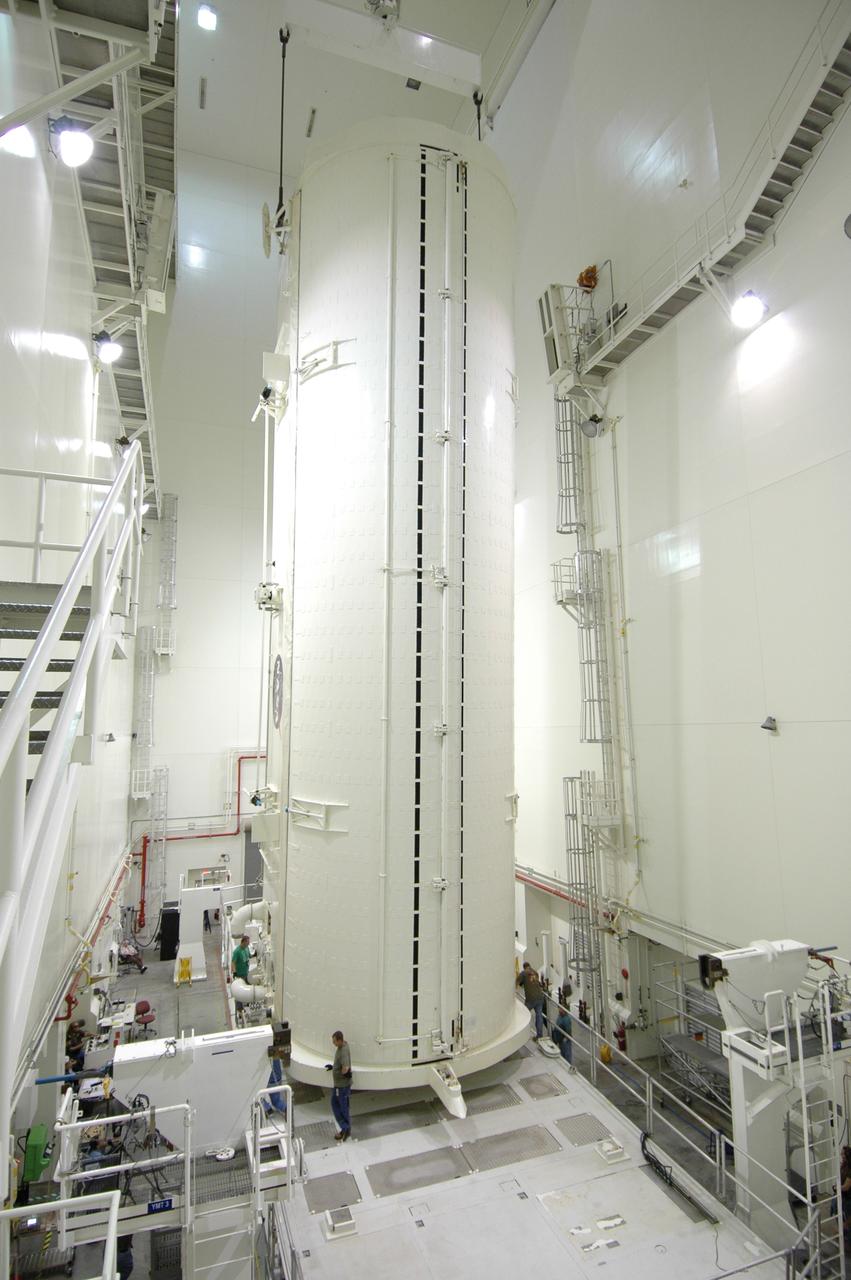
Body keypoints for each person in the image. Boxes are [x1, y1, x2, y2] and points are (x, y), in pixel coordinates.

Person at [324, 1030, 352, 1140]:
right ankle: (345, 1128)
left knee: (341, 1106)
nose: (333, 1044)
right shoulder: (341, 1047)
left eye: (335, 1042)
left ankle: (345, 1129)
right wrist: (334, 1067)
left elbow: (346, 1068)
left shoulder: (343, 1051)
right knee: (338, 1104)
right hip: (339, 1085)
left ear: (340, 1040)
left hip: (342, 1086)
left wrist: (339, 1073)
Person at [516, 962, 545, 1039]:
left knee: (524, 1014)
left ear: (524, 967)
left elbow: (517, 981)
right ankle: (540, 1035)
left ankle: (522, 1034)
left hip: (531, 999)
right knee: (539, 1016)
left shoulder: (523, 973)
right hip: (540, 997)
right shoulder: (535, 972)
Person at [552, 1004, 575, 1071]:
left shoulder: (566, 1019)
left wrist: (566, 1038)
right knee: (562, 1053)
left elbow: (568, 1030)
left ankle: (568, 1067)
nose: (559, 1009)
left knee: (567, 1054)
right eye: (559, 1008)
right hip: (560, 1039)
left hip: (565, 1040)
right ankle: (564, 1067)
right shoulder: (560, 1016)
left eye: (560, 1008)